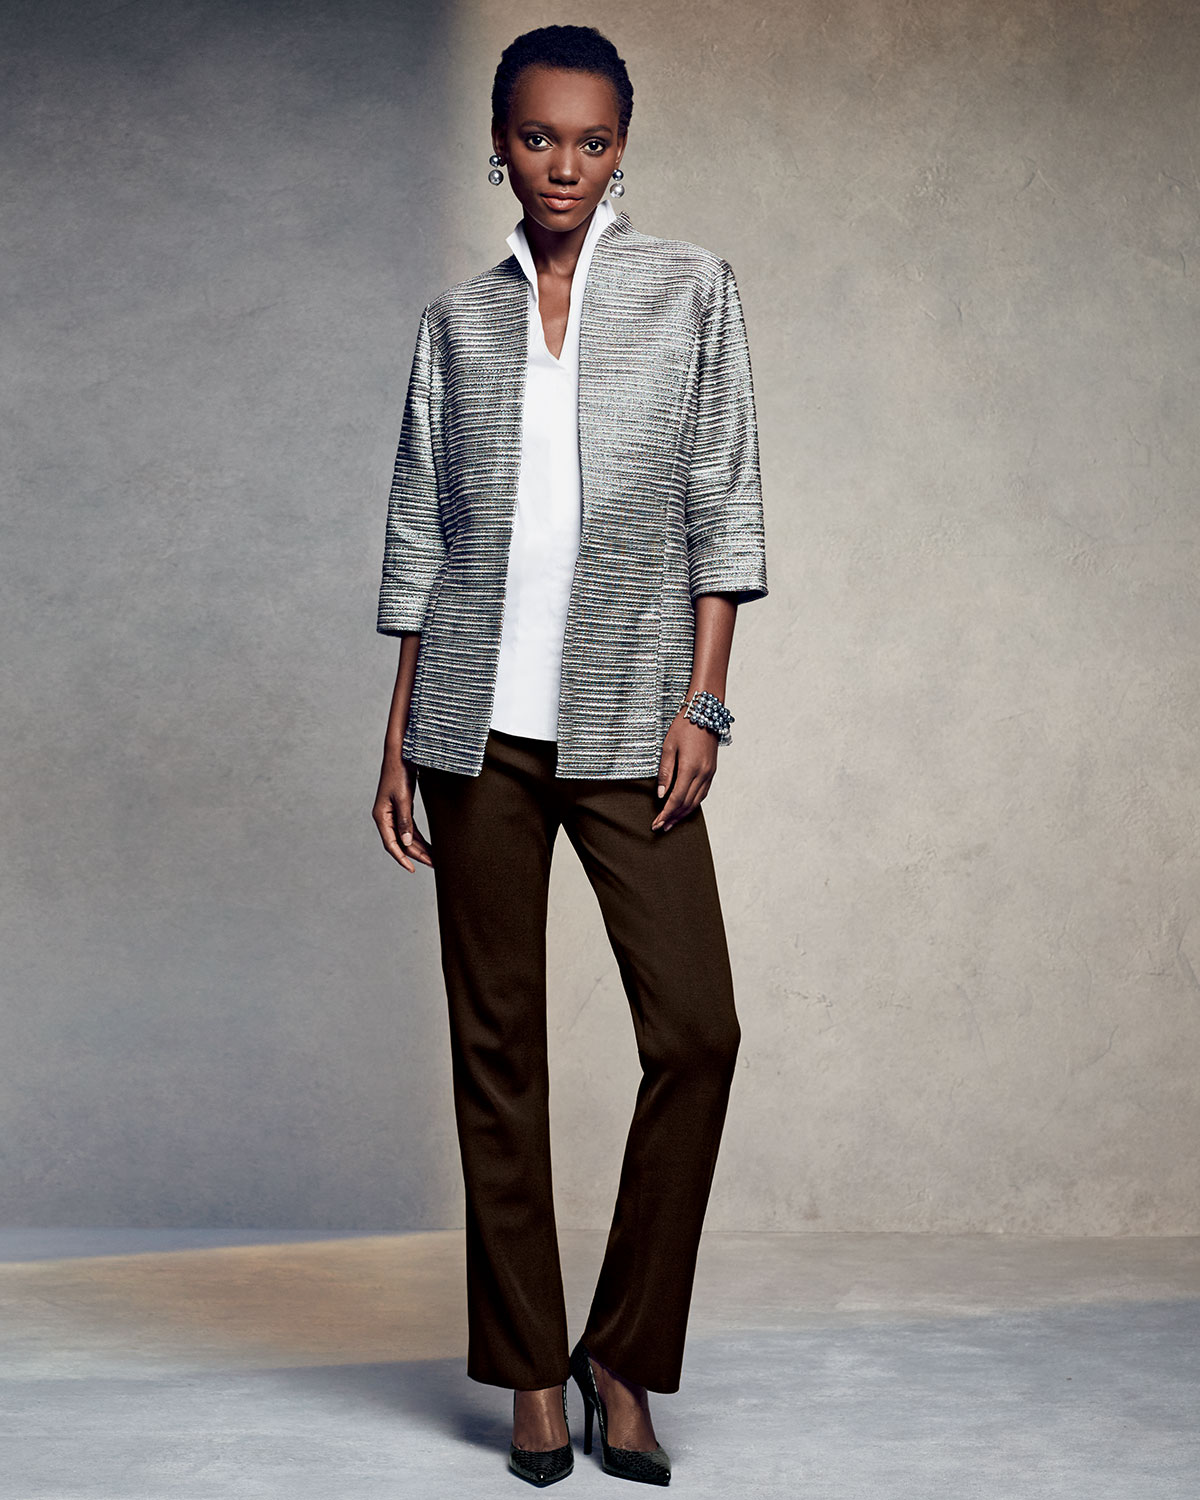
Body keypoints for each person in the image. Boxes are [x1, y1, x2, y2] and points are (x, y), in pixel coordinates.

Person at [372, 24, 768, 1488]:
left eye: (592, 141)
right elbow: (422, 541)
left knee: (698, 1033)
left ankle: (624, 1355)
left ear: (623, 148)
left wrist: (703, 705)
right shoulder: (454, 327)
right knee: (499, 1054)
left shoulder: (690, 292)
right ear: (500, 144)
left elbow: (724, 503)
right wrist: (397, 736)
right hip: (472, 732)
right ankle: (532, 1371)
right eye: (539, 138)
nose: (565, 166)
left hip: (625, 722)